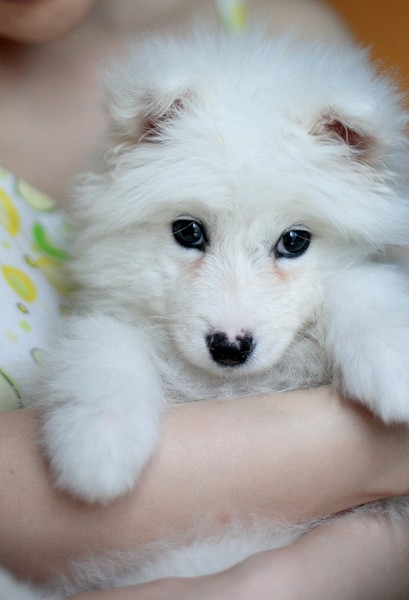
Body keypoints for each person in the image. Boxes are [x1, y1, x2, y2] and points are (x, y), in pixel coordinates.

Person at [0, 2, 409, 599]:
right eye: (190, 234)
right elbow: (108, 340)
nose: (231, 323)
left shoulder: (284, 25)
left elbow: (371, 261)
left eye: (291, 243)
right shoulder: (155, 110)